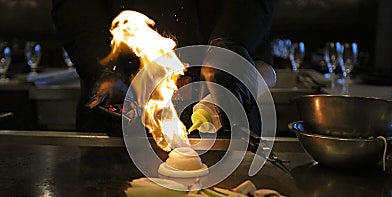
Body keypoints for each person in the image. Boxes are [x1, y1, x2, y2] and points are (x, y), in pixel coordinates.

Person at [52, 0, 278, 134]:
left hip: (227, 98)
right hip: (118, 116)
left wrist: (231, 42)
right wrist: (101, 64)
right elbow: (75, 8)